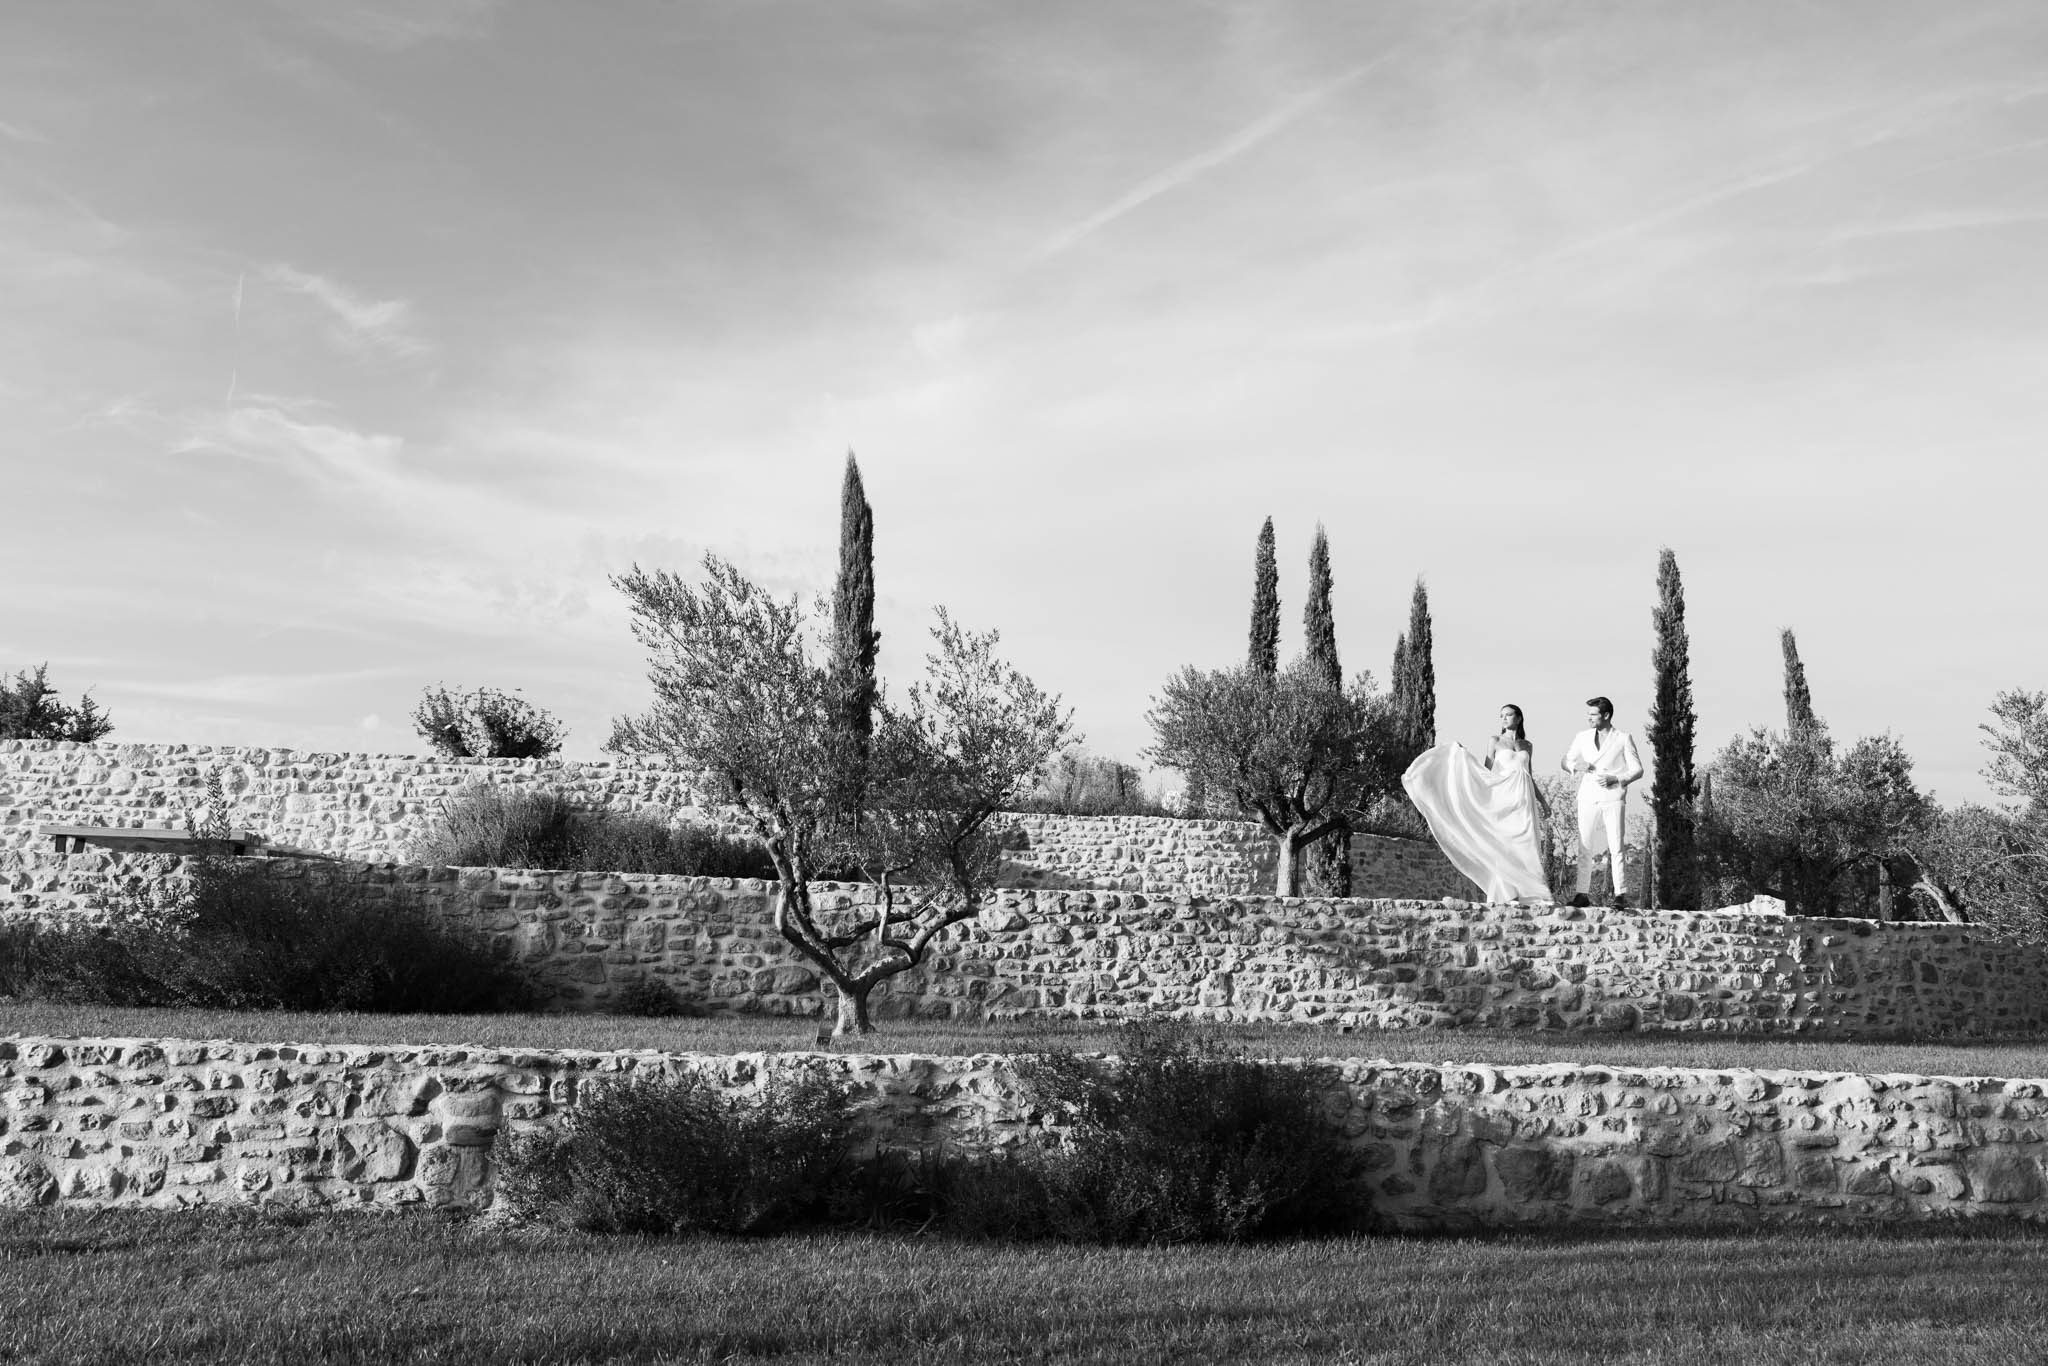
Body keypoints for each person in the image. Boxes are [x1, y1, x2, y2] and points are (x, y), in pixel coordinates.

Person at [1400, 704, 1553, 904]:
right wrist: (1462, 756)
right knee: (1504, 844)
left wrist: (1543, 802)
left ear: (1519, 717)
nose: (1504, 719)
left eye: (1508, 715)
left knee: (1526, 843)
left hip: (1524, 799)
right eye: (1501, 716)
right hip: (1503, 796)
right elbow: (1486, 769)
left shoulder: (1527, 745)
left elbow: (1529, 775)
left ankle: (1531, 894)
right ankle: (1506, 893)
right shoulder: (1495, 741)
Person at [1559, 695, 1644, 908]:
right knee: (1584, 845)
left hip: (1613, 796)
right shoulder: (1582, 736)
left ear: (1606, 715)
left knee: (1616, 845)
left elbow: (1637, 769)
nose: (1589, 718)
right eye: (1588, 714)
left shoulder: (1623, 738)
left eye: (1593, 714)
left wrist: (1617, 778)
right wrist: (1576, 766)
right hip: (1587, 795)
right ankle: (1582, 894)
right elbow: (1565, 761)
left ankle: (1620, 895)